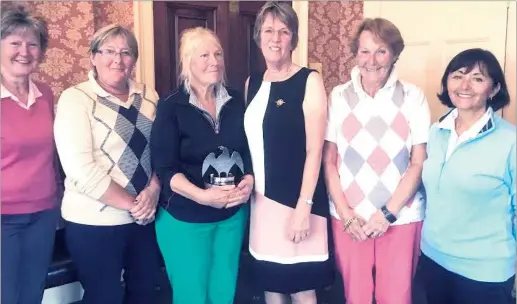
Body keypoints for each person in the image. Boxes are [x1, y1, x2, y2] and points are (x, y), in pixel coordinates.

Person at [323, 17, 430, 304]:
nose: (372, 60)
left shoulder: (413, 97)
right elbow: (329, 161)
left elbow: (418, 162)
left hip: (400, 217)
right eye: (364, 51)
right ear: (355, 54)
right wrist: (346, 214)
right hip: (350, 219)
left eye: (381, 51)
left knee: (396, 297)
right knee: (355, 297)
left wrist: (387, 214)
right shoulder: (338, 96)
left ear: (394, 54)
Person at [53, 24, 162, 304]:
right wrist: (134, 205)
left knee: (147, 292)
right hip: (95, 221)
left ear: (134, 60)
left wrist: (153, 191)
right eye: (109, 51)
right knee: (105, 297)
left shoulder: (150, 96)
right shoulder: (75, 99)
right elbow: (80, 169)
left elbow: (162, 152)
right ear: (93, 56)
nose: (118, 59)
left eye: (126, 52)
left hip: (146, 219)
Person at [150, 27, 254, 304]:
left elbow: (248, 150)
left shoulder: (236, 103)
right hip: (185, 219)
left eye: (218, 54)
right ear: (188, 62)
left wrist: (249, 179)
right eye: (204, 55)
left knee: (224, 292)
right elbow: (165, 167)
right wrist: (203, 197)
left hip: (231, 218)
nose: (214, 61)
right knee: (191, 296)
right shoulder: (171, 107)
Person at [244, 2, 334, 303]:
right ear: (258, 37)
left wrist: (303, 208)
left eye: (284, 32)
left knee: (302, 290)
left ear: (293, 39)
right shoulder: (251, 83)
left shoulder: (309, 81)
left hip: (299, 204)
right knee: (272, 287)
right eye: (268, 30)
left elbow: (314, 151)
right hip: (262, 204)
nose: (275, 38)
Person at [420, 48, 515, 304]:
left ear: (494, 89)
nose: (464, 85)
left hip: (485, 271)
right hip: (433, 258)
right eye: (458, 75)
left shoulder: (510, 141)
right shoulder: (436, 132)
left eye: (477, 78)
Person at [1, 4, 61, 304]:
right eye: (14, 42)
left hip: (43, 214)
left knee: (32, 294)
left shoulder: (46, 94)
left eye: (32, 44)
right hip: (3, 218)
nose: (24, 51)